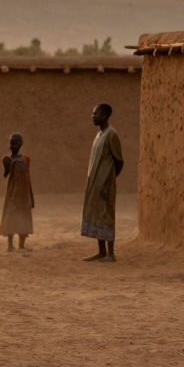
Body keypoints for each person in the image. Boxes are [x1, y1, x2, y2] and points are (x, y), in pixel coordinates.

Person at [82, 103, 124, 262]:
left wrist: (110, 179)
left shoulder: (112, 134)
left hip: (106, 185)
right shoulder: (99, 135)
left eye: (96, 114)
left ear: (104, 115)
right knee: (97, 214)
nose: (93, 117)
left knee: (107, 215)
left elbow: (119, 160)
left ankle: (110, 254)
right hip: (95, 184)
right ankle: (101, 252)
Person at [0, 133, 34, 252]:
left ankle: (21, 246)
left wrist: (31, 197)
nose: (13, 145)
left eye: (16, 143)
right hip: (13, 195)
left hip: (24, 196)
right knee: (11, 219)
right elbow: (6, 174)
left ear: (21, 144)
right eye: (11, 142)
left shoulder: (26, 159)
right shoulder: (7, 159)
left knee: (23, 219)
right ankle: (10, 246)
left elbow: (28, 179)